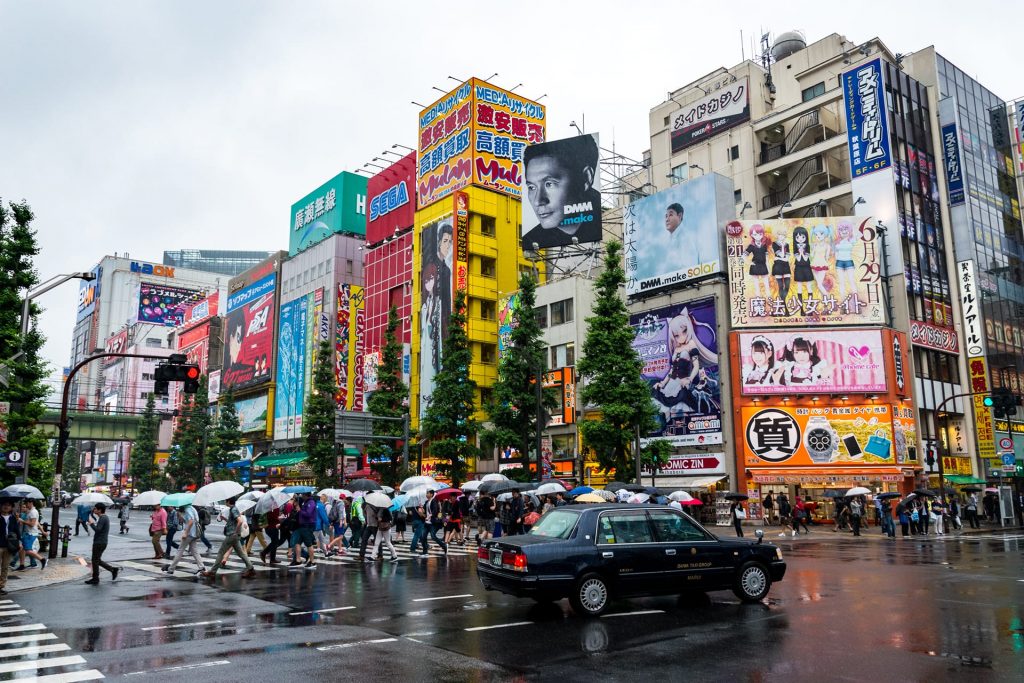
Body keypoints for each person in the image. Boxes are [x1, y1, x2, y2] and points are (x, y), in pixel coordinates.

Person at [521, 134, 602, 249]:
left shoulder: (605, 224)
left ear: (586, 178)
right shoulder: (531, 240)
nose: (538, 201)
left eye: (549, 184)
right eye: (532, 187)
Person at [202, 497, 256, 580]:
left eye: (225, 501)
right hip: (234, 536)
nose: (225, 502)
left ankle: (212, 572)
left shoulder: (233, 509)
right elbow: (232, 522)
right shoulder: (233, 509)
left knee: (221, 552)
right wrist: (225, 519)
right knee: (241, 553)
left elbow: (240, 521)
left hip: (231, 536)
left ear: (228, 501)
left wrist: (235, 532)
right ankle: (251, 568)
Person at [165, 504, 205, 576]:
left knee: (180, 550)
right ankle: (202, 567)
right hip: (194, 533)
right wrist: (180, 517)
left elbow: (190, 521)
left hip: (189, 533)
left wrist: (186, 532)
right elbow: (188, 521)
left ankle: (171, 569)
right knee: (194, 551)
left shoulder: (188, 509)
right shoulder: (192, 508)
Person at [85, 503, 119, 584]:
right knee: (97, 560)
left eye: (95, 509)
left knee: (95, 560)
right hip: (102, 542)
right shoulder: (103, 518)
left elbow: (98, 530)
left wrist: (91, 524)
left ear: (100, 510)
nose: (94, 510)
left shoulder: (103, 518)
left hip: (99, 542)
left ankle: (95, 578)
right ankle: (112, 569)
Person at [291, 492, 318, 569]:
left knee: (308, 544)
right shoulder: (304, 502)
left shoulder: (311, 502)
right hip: (302, 525)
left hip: (307, 525)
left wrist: (300, 510)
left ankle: (312, 561)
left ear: (306, 495)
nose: (302, 496)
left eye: (303, 495)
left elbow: (308, 514)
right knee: (297, 542)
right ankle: (298, 560)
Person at [17, 500, 46, 571]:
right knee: (22, 549)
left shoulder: (33, 512)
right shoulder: (31, 511)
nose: (26, 505)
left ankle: (42, 559)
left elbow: (32, 524)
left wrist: (22, 521)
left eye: (26, 503)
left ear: (31, 503)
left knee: (27, 550)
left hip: (30, 533)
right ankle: (22, 565)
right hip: (28, 533)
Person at [0, 500, 20, 595]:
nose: (6, 507)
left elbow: (17, 531)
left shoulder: (12, 518)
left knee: (5, 567)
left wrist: (18, 542)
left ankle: (1, 586)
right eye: (4, 505)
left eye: (8, 505)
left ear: (11, 508)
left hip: (9, 546)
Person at [425, 489, 448, 554]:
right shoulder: (427, 502)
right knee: (423, 536)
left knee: (433, 536)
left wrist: (429, 516)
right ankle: (425, 550)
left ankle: (444, 546)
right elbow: (426, 511)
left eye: (428, 493)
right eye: (426, 493)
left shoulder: (434, 501)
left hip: (433, 522)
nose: (426, 494)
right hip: (427, 522)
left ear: (431, 494)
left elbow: (435, 511)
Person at [358, 495, 379, 563]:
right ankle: (361, 555)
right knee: (364, 539)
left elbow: (378, 514)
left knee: (377, 540)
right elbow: (365, 514)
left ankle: (380, 555)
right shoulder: (366, 505)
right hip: (369, 525)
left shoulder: (375, 505)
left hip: (375, 525)